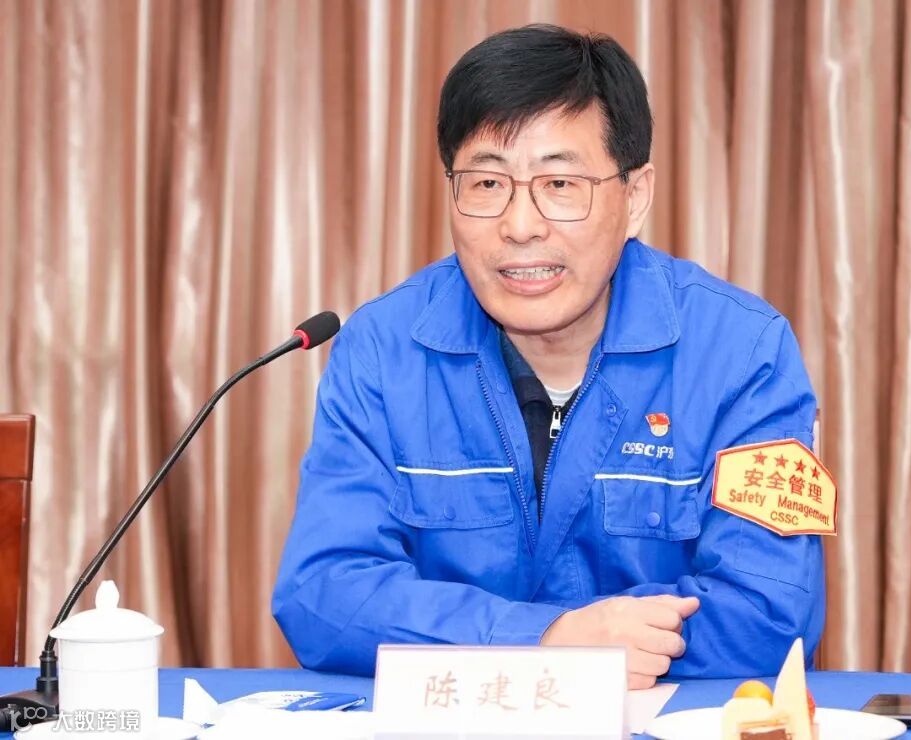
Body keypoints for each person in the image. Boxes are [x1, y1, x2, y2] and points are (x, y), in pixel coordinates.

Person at [273, 24, 825, 687]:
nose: (520, 225)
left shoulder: (742, 353)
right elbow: (321, 594)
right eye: (486, 183)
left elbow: (770, 614)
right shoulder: (383, 351)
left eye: (560, 183)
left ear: (635, 198)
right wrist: (547, 639)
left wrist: (553, 646)